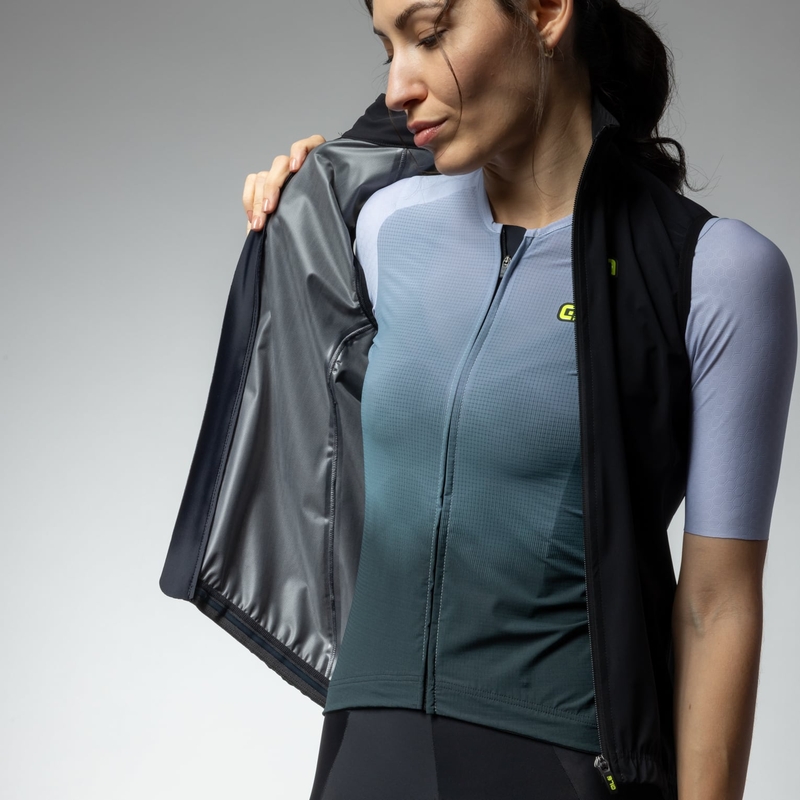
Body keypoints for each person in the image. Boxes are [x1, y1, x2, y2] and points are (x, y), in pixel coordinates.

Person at [177, 1, 796, 798]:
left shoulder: (710, 273)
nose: (398, 87)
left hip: (562, 760)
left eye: (430, 34)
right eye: (388, 48)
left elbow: (716, 605)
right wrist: (307, 196)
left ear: (546, 12)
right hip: (366, 751)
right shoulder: (377, 225)